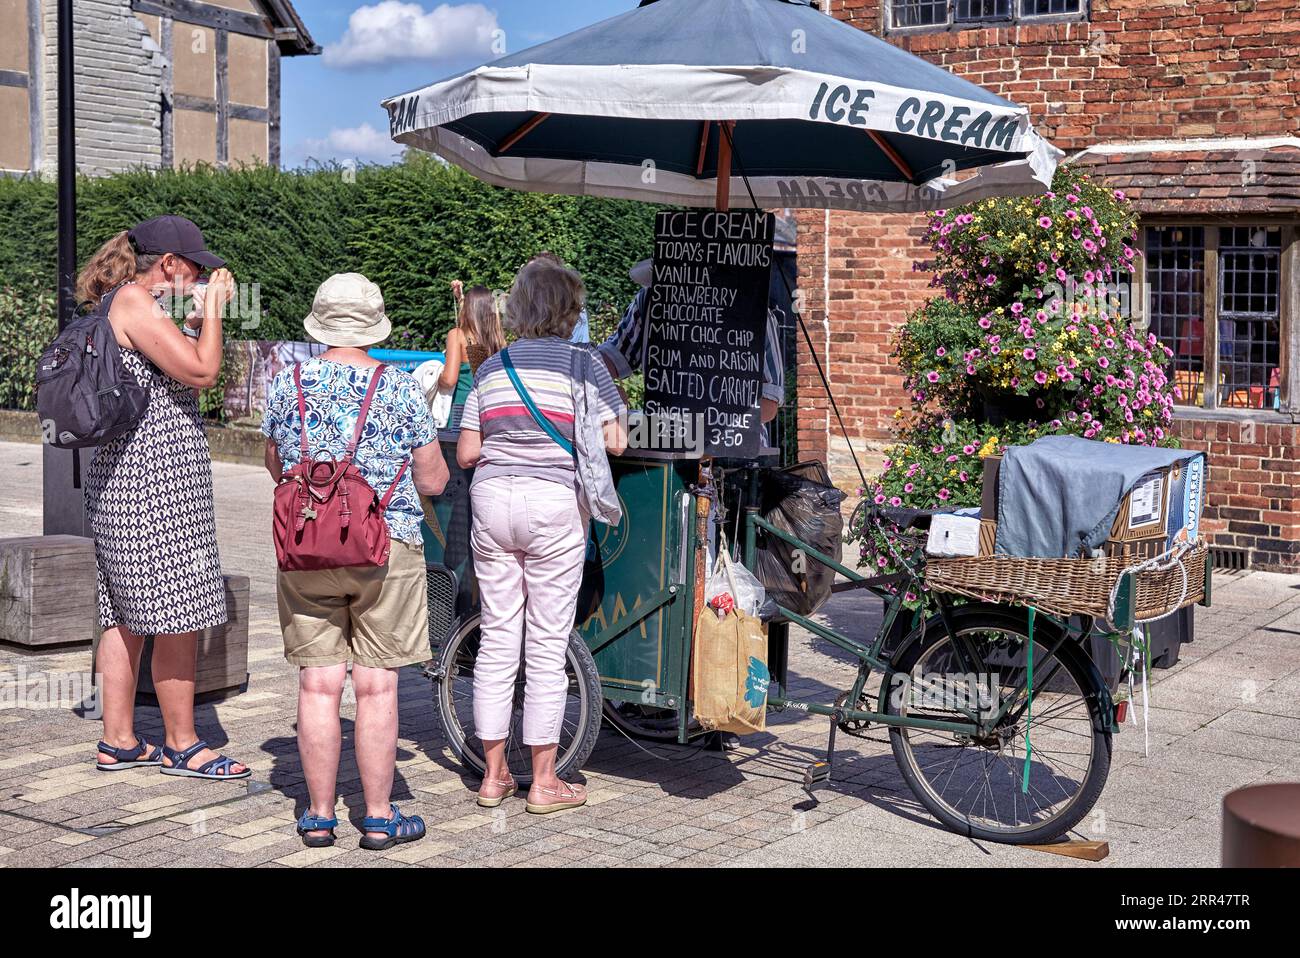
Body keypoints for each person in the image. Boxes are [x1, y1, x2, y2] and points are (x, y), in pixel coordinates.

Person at [261, 272, 449, 849]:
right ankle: (378, 815)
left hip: (306, 548)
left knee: (317, 686)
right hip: (385, 547)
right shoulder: (397, 389)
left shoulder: (285, 382)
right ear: (373, 325)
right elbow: (433, 478)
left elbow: (276, 467)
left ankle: (317, 816)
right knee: (377, 687)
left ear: (320, 323)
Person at [82, 215, 250, 781]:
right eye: (196, 265)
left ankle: (120, 741)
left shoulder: (121, 302)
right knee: (176, 613)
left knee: (123, 617)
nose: (201, 274)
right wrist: (220, 312)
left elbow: (175, 366)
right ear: (170, 264)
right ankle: (182, 743)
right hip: (155, 484)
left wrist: (201, 318)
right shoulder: (134, 301)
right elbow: (202, 371)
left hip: (127, 480)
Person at [457, 261, 626, 814]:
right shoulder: (586, 365)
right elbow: (617, 441)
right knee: (546, 645)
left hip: (492, 501)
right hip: (553, 504)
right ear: (569, 310)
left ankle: (494, 775)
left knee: (499, 638)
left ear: (520, 307)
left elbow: (466, 452)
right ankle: (546, 781)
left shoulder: (491, 367)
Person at [598, 258, 786, 428]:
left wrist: (712, 423)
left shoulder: (755, 316)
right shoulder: (649, 302)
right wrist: (573, 360)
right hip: (663, 437)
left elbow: (769, 403)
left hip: (734, 444)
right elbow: (612, 358)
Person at [440, 282, 505, 432]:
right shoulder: (497, 341)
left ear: (468, 310)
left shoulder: (457, 335)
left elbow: (449, 380)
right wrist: (461, 298)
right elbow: (476, 361)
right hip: (491, 410)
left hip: (462, 412)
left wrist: (436, 378)